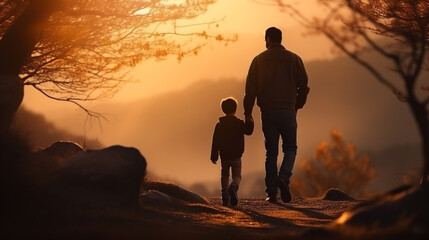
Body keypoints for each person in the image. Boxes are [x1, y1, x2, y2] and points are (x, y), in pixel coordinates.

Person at [243, 27, 309, 203]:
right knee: (290, 148)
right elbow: (304, 86)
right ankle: (284, 177)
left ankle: (272, 193)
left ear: (268, 39)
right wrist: (297, 105)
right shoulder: (295, 59)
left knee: (271, 152)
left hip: (268, 112)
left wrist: (248, 114)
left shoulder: (258, 60)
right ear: (280, 39)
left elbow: (250, 90)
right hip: (288, 110)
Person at [210, 97, 254, 206]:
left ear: (223, 109)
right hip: (236, 155)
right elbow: (248, 131)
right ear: (235, 109)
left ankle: (225, 197)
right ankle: (233, 186)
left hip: (224, 156)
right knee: (237, 176)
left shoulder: (219, 125)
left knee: (224, 175)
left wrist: (214, 155)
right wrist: (250, 120)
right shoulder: (239, 123)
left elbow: (215, 141)